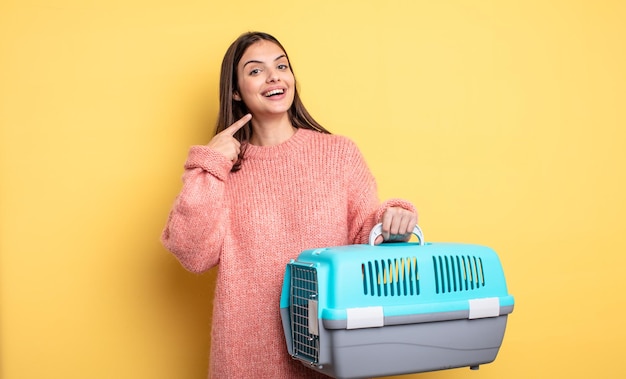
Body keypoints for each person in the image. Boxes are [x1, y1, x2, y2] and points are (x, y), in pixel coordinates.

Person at [161, 31, 418, 379]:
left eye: (281, 66)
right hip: (246, 353)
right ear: (235, 91)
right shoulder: (223, 169)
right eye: (255, 71)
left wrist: (392, 220)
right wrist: (209, 165)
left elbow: (365, 237)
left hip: (330, 348)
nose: (273, 77)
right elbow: (193, 254)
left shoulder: (337, 153)